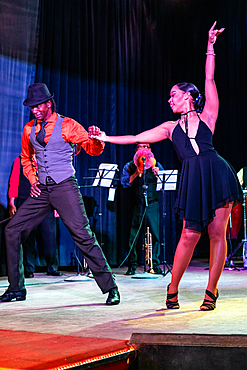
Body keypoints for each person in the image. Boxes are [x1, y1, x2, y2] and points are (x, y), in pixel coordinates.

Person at [89, 22, 243, 310]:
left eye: (174, 94)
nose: (169, 98)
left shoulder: (208, 115)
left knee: (216, 234)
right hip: (194, 178)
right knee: (188, 234)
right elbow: (136, 137)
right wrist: (105, 137)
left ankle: (211, 292)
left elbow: (209, 81)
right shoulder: (170, 128)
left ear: (187, 96)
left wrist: (210, 45)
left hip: (217, 173)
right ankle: (173, 287)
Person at [0, 83, 120, 305]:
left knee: (82, 235)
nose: (34, 110)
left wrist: (95, 139)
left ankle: (110, 286)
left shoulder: (68, 125)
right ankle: (16, 288)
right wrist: (33, 180)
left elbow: (91, 149)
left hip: (64, 186)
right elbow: (26, 158)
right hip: (42, 190)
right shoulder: (29, 129)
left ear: (48, 104)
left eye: (38, 106)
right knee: (12, 229)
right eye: (31, 107)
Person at [8, 155, 61, 278]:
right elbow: (14, 181)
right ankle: (28, 269)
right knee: (27, 237)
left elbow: (55, 184)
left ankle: (52, 267)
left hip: (46, 203)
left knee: (49, 236)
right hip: (25, 202)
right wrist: (12, 202)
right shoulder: (20, 160)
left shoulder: (49, 159)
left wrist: (58, 205)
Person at [121, 143, 164, 275]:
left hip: (152, 203)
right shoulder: (130, 165)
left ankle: (155, 264)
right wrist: (135, 174)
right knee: (133, 236)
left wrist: (159, 176)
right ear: (136, 150)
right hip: (137, 203)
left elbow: (163, 185)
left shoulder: (156, 164)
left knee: (155, 235)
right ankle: (132, 265)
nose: (144, 148)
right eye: (141, 146)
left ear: (150, 150)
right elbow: (124, 183)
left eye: (147, 146)